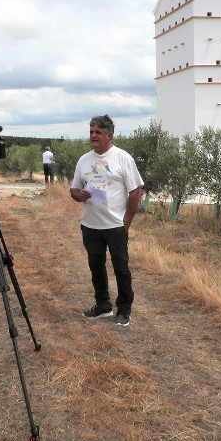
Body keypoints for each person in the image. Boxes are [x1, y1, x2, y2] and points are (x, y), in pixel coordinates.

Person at [70, 115, 143, 327]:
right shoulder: (83, 160)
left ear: (109, 135)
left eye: (98, 133)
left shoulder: (122, 158)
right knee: (96, 267)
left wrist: (125, 223)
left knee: (121, 268)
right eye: (91, 132)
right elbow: (74, 188)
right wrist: (78, 195)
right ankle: (103, 306)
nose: (93, 136)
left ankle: (124, 310)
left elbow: (135, 191)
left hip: (115, 226)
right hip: (90, 225)